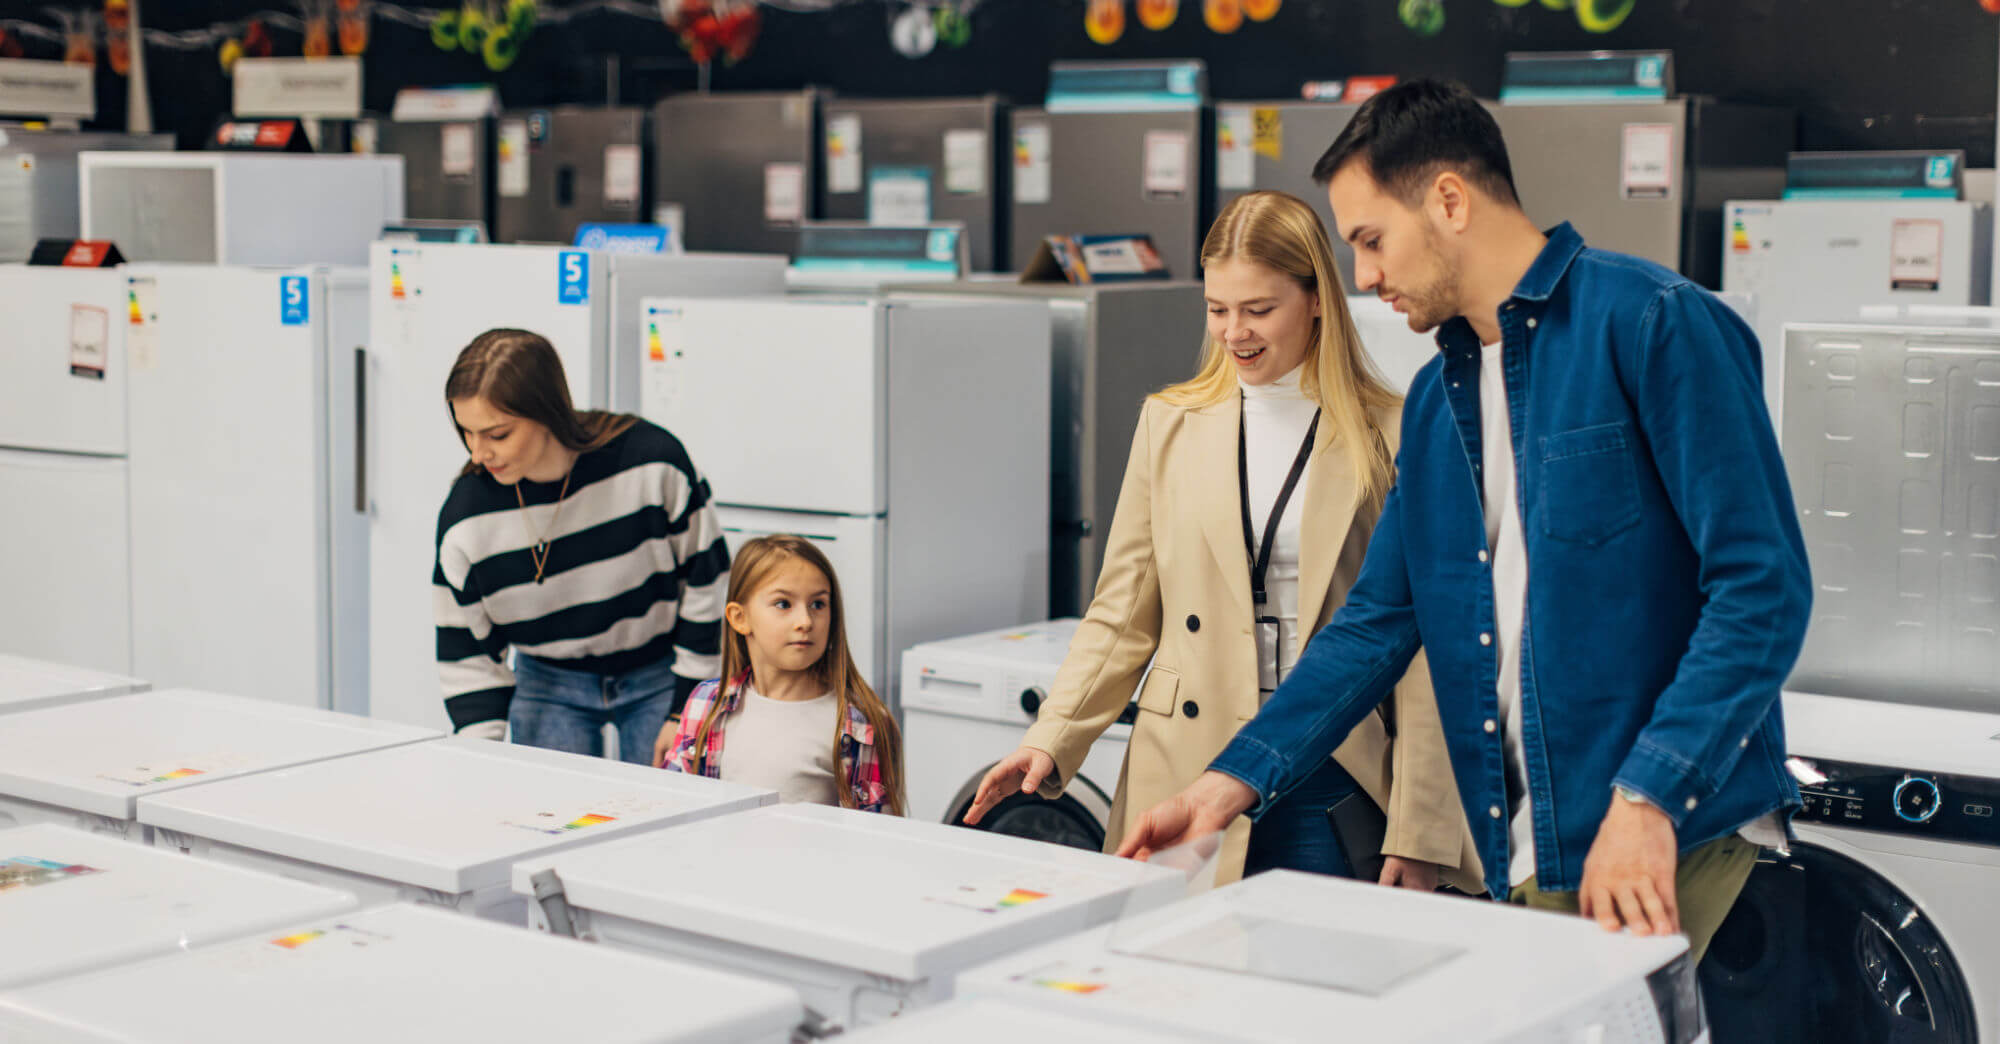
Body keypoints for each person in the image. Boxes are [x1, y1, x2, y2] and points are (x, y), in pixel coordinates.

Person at [1118, 80, 1810, 963]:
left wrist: (1649, 799)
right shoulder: (1440, 404)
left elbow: (1763, 590)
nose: (1363, 275)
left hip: (1663, 835)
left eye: (1371, 240)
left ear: (1449, 200)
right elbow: (1374, 625)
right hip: (1528, 844)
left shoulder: (1653, 324)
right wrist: (1226, 787)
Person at [963, 190, 1476, 890]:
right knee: (1173, 981)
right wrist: (1051, 739)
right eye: (1218, 310)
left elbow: (1419, 650)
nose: (1235, 333)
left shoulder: (1389, 431)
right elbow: (1121, 614)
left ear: (1317, 297)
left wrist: (1422, 829)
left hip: (1333, 769)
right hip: (1184, 765)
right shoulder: (1169, 423)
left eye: (1259, 310)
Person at [433, 328, 729, 763]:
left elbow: (708, 583)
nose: (479, 454)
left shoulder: (652, 463)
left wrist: (686, 707)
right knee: (551, 822)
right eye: (466, 433)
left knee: (670, 818)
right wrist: (481, 762)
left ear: (548, 412)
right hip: (547, 684)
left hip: (661, 674)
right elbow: (469, 657)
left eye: (497, 435)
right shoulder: (466, 519)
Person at [657, 534, 905, 816]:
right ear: (740, 618)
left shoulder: (858, 722)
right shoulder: (706, 704)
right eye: (783, 604)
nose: (805, 622)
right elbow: (673, 804)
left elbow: (878, 836)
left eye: (818, 605)